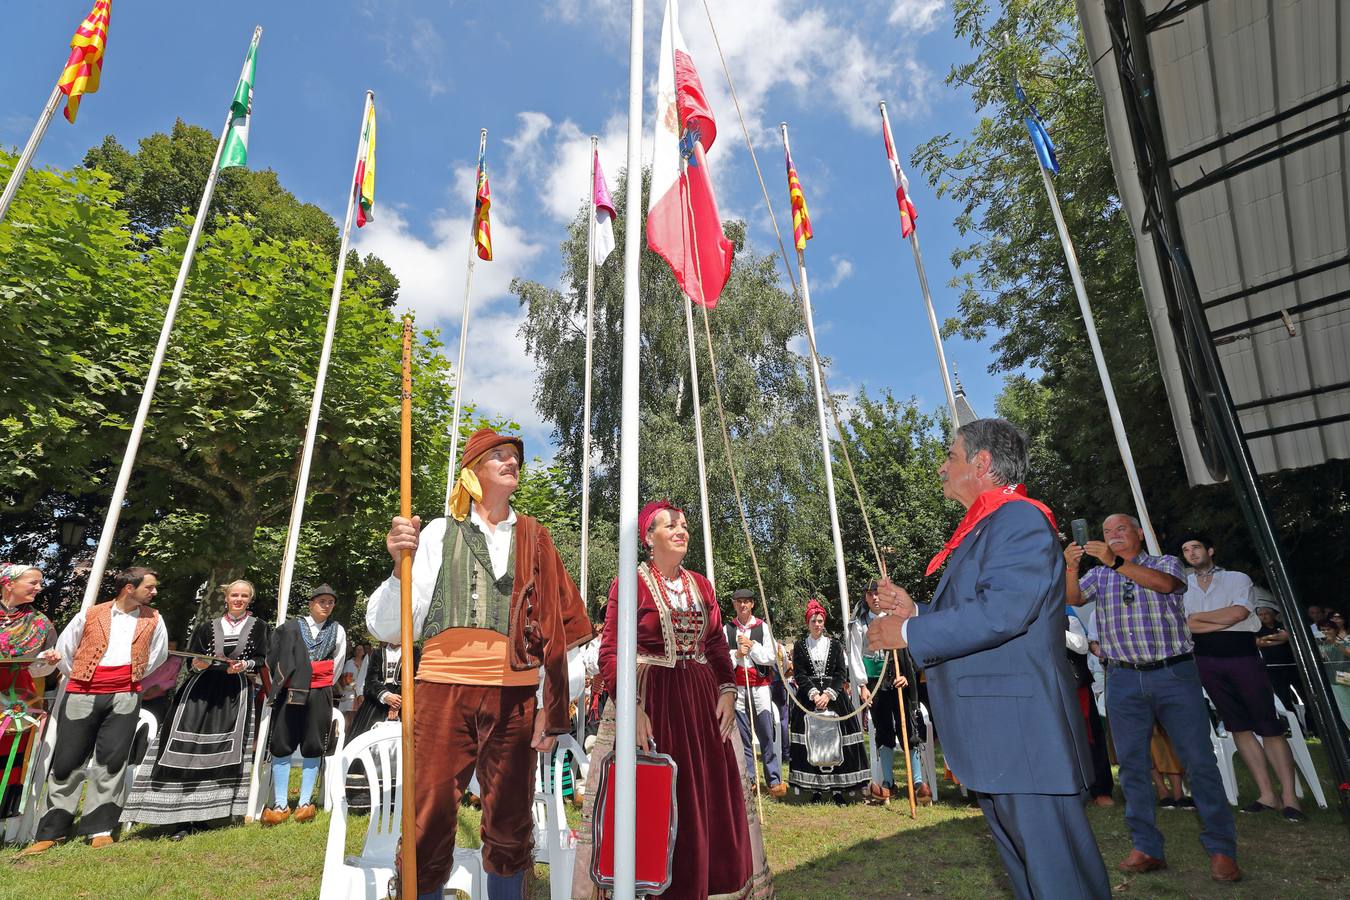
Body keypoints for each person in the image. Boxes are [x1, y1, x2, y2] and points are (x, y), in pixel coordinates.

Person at [869, 418, 1110, 899]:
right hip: (1004, 736)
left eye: (951, 457)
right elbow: (982, 607)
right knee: (1031, 875)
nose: (942, 467)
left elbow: (1003, 612)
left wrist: (911, 631)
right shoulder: (989, 527)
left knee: (1056, 876)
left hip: (1021, 735)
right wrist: (914, 609)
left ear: (981, 464)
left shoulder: (1018, 519)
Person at [370, 427, 591, 900]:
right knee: (428, 813)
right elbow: (388, 627)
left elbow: (562, 634)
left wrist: (551, 713)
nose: (513, 462)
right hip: (440, 692)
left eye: (516, 457)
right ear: (473, 470)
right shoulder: (436, 532)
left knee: (511, 818)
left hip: (514, 697)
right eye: (501, 456)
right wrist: (397, 567)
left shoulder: (535, 538)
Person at [574, 500, 772, 900]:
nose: (682, 530)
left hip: (702, 705)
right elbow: (610, 650)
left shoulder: (701, 585)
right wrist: (631, 708)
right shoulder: (628, 583)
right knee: (654, 803)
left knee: (707, 802)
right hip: (652, 703)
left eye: (684, 525)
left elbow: (717, 644)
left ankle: (708, 885)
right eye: (671, 525)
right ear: (649, 537)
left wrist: (727, 690)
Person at [1066, 514, 1239, 882]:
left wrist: (1115, 562)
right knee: (1131, 766)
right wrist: (1070, 566)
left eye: (1120, 530)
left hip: (1173, 674)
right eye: (1107, 532)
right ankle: (1146, 846)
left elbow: (1166, 586)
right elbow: (1073, 598)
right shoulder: (1099, 574)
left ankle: (1222, 850)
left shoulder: (1164, 562)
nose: (1112, 536)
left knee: (1199, 761)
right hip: (1123, 678)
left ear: (1139, 534)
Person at [20, 566, 168, 855]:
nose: (154, 592)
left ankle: (99, 827)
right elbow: (65, 649)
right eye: (149, 587)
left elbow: (157, 655)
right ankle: (52, 830)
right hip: (82, 692)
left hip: (125, 693)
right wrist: (83, 674)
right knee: (67, 760)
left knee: (112, 761)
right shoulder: (90, 613)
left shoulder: (155, 619)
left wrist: (130, 676)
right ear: (129, 588)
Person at [120, 578, 269, 838]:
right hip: (199, 692)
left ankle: (208, 814)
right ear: (226, 597)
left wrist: (244, 666)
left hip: (235, 694)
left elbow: (262, 658)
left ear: (250, 599)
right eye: (235, 594)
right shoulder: (206, 627)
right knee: (183, 747)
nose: (239, 599)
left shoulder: (260, 627)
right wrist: (198, 664)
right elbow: (193, 658)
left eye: (244, 596)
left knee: (222, 752)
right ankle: (174, 815)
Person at [1180, 535, 1303, 821]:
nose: (1191, 552)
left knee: (1268, 725)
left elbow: (1238, 613)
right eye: (1186, 550)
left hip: (1243, 656)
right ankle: (1266, 795)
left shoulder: (1237, 578)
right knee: (1238, 727)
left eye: (1196, 547)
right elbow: (1185, 624)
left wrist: (1200, 621)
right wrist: (1215, 620)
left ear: (1210, 550)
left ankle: (1290, 797)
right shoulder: (1183, 587)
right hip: (1206, 660)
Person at [262, 583, 347, 826]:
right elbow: (273, 656)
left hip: (320, 691)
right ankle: (279, 803)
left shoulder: (338, 630)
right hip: (291, 690)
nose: (326, 606)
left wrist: (319, 679)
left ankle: (305, 802)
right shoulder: (289, 628)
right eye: (322, 601)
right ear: (311, 603)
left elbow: (338, 662)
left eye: (331, 602)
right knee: (282, 740)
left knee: (314, 742)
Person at [850, 582, 927, 805]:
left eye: (878, 593)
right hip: (875, 684)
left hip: (898, 681)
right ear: (866, 598)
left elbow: (909, 648)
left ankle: (917, 781)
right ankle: (888, 782)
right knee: (883, 729)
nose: (875, 598)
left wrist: (906, 673)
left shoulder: (895, 618)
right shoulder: (859, 624)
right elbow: (855, 654)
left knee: (908, 728)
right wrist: (862, 686)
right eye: (871, 594)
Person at [788, 600, 870, 804]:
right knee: (813, 741)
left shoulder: (835, 644)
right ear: (808, 623)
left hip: (835, 699)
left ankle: (837, 789)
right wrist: (815, 694)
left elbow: (841, 673)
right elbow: (800, 673)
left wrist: (829, 694)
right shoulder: (799, 646)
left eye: (820, 620)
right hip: (809, 699)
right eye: (814, 621)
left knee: (837, 742)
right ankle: (816, 789)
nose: (817, 624)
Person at [0, 564, 57, 821]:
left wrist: (49, 662)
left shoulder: (40, 623)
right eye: (33, 582)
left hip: (18, 699)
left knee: (9, 756)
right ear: (9, 583)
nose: (39, 587)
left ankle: (4, 818)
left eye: (39, 582)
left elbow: (38, 671)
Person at [725, 587, 785, 798]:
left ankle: (774, 779)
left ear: (752, 604)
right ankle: (749, 778)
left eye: (746, 601)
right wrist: (736, 654)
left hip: (760, 687)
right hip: (739, 689)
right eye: (739, 601)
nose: (743, 605)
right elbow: (723, 661)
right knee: (743, 737)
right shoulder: (729, 629)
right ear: (734, 604)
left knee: (766, 734)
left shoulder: (762, 627)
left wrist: (752, 648)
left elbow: (771, 658)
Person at [1066, 607, 1114, 806]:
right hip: (1041, 686)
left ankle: (1100, 789)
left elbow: (1081, 645)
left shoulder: (1065, 611)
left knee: (1089, 736)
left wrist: (1051, 630)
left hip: (1074, 684)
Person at [1255, 601, 1299, 713]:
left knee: (1304, 695)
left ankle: (1311, 724)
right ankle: (1295, 726)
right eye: (1260, 614)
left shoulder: (1282, 625)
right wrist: (1281, 640)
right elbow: (1259, 642)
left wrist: (1268, 639)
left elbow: (1289, 635)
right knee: (1284, 698)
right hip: (1273, 668)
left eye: (1266, 613)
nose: (1263, 616)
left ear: (1272, 614)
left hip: (1292, 665)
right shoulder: (1258, 629)